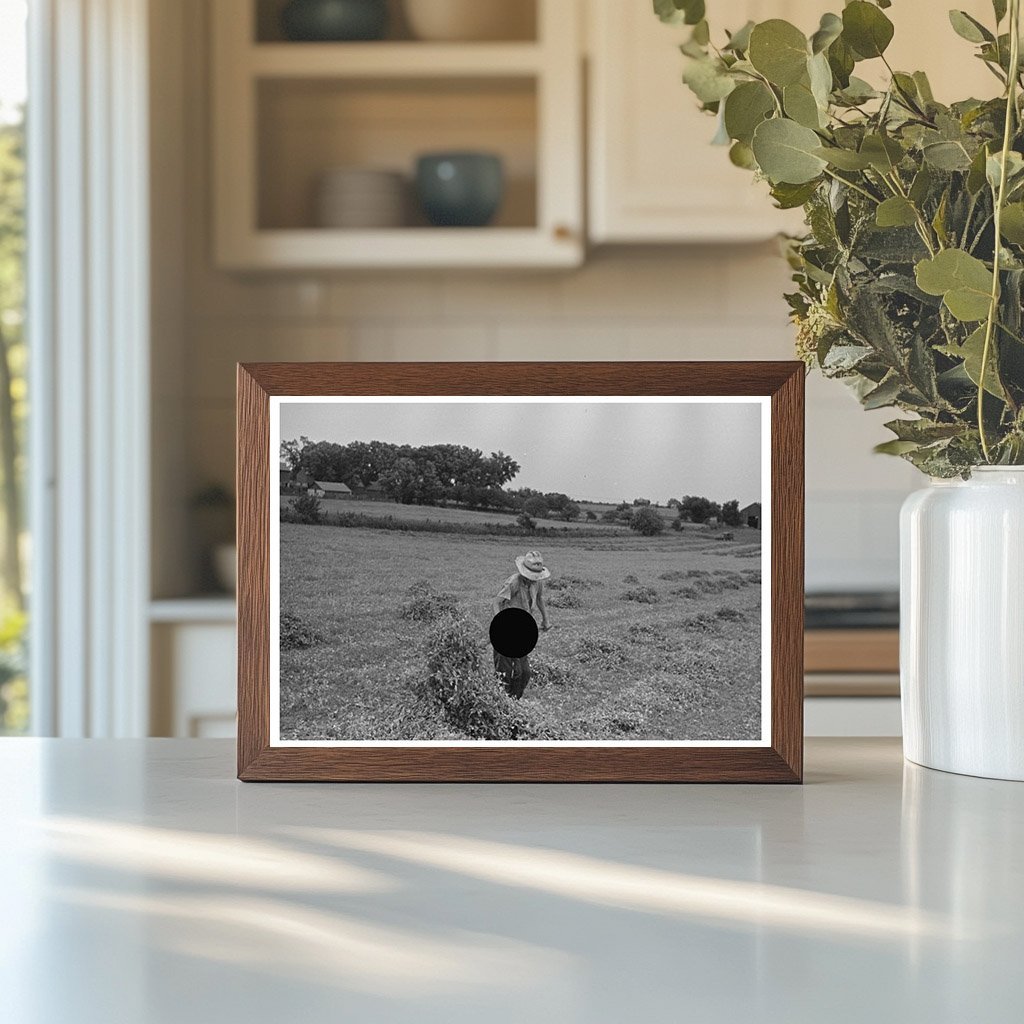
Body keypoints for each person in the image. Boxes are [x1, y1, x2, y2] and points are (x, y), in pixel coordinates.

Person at [491, 550, 551, 698]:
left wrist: (546, 619)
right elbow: (496, 602)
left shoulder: (537, 582)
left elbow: (539, 599)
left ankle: (514, 701)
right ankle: (501, 700)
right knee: (504, 671)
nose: (534, 579)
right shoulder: (514, 582)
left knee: (524, 673)